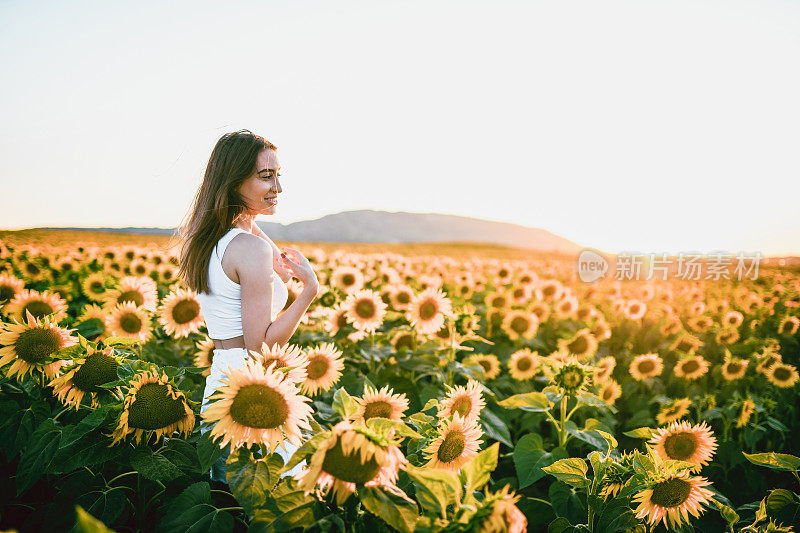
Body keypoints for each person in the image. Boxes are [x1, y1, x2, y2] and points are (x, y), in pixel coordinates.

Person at [177, 129, 319, 484]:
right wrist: (310, 291)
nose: (278, 188)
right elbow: (262, 347)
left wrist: (254, 219)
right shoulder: (249, 249)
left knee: (227, 497)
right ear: (233, 181)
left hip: (220, 382)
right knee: (275, 498)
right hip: (251, 387)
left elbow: (278, 267)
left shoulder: (211, 239)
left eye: (278, 175)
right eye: (265, 176)